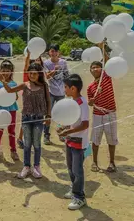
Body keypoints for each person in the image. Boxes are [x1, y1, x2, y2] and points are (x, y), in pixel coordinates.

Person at [3, 63, 51, 179]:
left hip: (39, 118)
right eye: (30, 73)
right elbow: (10, 90)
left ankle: (37, 166)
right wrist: (4, 81)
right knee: (27, 144)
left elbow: (48, 101)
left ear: (39, 74)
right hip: (26, 118)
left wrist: (48, 115)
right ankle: (26, 167)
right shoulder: (24, 85)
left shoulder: (44, 86)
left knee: (37, 144)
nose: (32, 75)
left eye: (35, 73)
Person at [58, 74, 89, 210]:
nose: (64, 90)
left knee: (77, 170)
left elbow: (85, 124)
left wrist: (68, 132)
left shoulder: (82, 103)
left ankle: (79, 197)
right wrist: (65, 127)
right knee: (70, 168)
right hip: (70, 141)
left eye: (66, 87)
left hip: (78, 142)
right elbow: (73, 121)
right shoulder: (73, 102)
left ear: (73, 88)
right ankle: (74, 188)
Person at [87, 46, 118, 173]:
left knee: (112, 139)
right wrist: (93, 100)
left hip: (110, 113)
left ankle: (112, 162)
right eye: (92, 68)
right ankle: (94, 162)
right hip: (97, 114)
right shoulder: (90, 87)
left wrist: (102, 47)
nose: (95, 69)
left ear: (101, 69)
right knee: (95, 139)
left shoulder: (106, 77)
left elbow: (108, 61)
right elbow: (89, 103)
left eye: (97, 67)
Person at [0, 60, 19, 162]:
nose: (5, 73)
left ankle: (13, 150)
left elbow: (15, 97)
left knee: (11, 131)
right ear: (0, 71)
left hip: (12, 109)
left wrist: (6, 85)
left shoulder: (13, 83)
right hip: (0, 110)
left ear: (11, 72)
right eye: (3, 71)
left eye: (7, 71)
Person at [17, 51, 44, 149]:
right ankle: (20, 138)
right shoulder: (28, 73)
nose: (37, 61)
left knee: (35, 120)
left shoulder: (41, 75)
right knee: (26, 119)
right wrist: (28, 55)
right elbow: (25, 65)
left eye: (39, 60)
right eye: (35, 60)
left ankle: (30, 139)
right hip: (28, 100)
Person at [43, 45, 69, 145]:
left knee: (60, 114)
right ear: (49, 52)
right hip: (51, 92)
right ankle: (46, 135)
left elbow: (67, 75)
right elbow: (47, 77)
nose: (53, 53)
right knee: (48, 114)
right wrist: (55, 69)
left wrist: (67, 89)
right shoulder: (46, 63)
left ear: (58, 52)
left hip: (61, 93)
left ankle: (61, 133)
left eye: (55, 51)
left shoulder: (63, 62)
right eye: (51, 51)